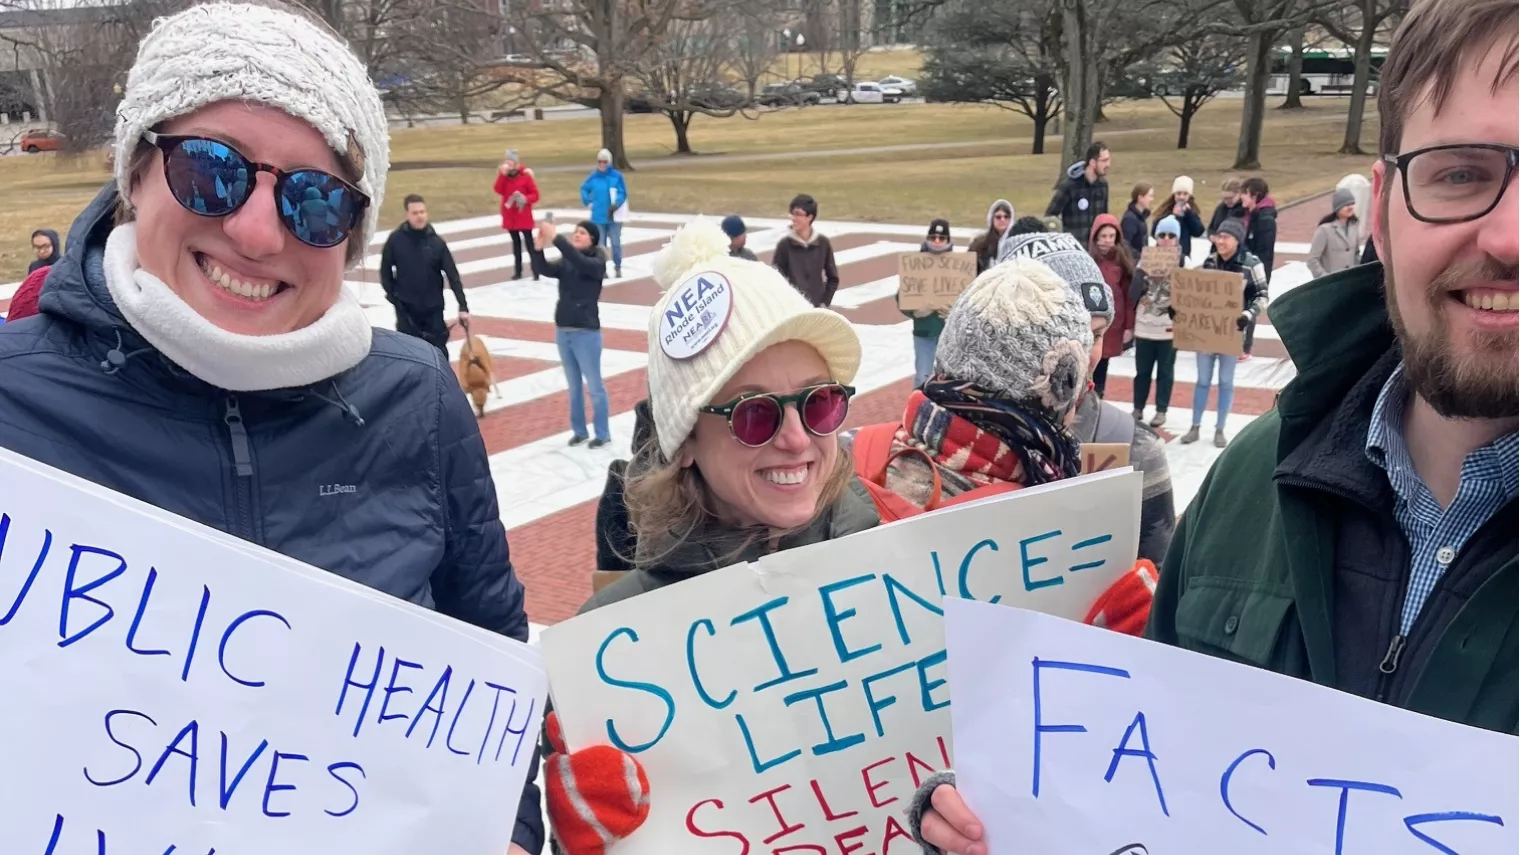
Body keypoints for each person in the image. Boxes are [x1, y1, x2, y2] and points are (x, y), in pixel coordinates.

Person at [915, 10, 1516, 841]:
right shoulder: (1252, 479)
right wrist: (1026, 816)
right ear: (1382, 214)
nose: (1512, 235)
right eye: (1461, 173)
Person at [0, 5, 541, 854]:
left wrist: (507, 825)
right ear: (135, 173)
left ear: (352, 237)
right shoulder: (9, 405)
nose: (256, 231)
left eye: (315, 200)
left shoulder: (418, 399)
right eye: (210, 169)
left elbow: (495, 656)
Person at [540, 218, 880, 854]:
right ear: (686, 442)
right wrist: (583, 843)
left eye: (819, 403)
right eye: (753, 414)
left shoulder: (905, 563)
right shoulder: (609, 646)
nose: (798, 439)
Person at [999, 229, 1175, 567]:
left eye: (1095, 335)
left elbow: (1159, 584)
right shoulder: (958, 436)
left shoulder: (1135, 449)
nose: (1086, 354)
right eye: (1069, 333)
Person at [1182, 218, 1268, 448]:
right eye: (1218, 236)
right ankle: (1195, 425)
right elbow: (1199, 295)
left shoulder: (1252, 264)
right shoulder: (1210, 262)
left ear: (1237, 240)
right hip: (1207, 332)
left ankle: (1220, 428)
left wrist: (1248, 315)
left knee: (1225, 381)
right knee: (1202, 380)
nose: (1220, 241)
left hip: (1232, 332)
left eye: (1225, 237)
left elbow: (1262, 296)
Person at [531, 217, 610, 449]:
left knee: (594, 386)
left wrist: (556, 237)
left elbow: (580, 261)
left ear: (593, 239)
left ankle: (602, 433)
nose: (577, 235)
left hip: (585, 332)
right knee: (573, 386)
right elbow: (543, 269)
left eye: (582, 233)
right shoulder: (568, 260)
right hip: (563, 330)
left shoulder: (596, 262)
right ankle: (579, 430)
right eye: (575, 232)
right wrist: (538, 247)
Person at [380, 194, 469, 355]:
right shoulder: (395, 240)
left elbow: (453, 276)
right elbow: (385, 271)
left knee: (438, 354)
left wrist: (463, 306)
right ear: (407, 214)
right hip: (406, 310)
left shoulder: (437, 242)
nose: (420, 216)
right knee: (410, 356)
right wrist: (394, 297)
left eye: (422, 212)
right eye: (415, 213)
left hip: (433, 309)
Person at [1132, 215, 1182, 428]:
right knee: (1142, 372)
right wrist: (1142, 274)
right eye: (1162, 235)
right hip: (1144, 327)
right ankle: (1138, 408)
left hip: (1169, 329)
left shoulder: (1183, 261)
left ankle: (1161, 410)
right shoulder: (1145, 260)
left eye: (1172, 235)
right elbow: (1132, 294)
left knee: (1165, 372)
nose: (1167, 239)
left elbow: (1190, 296)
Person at [1087, 212, 1136, 398]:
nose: (1107, 241)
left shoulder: (1122, 261)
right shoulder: (1088, 260)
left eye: (1111, 236)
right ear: (1095, 237)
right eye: (1103, 236)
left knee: (1103, 361)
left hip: (1113, 322)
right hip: (1091, 321)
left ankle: (1099, 394)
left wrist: (1129, 326)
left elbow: (1128, 295)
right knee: (1088, 359)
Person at [901, 218, 952, 387]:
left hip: (948, 333)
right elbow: (902, 295)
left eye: (941, 238)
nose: (937, 241)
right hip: (924, 332)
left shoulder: (957, 265)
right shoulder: (915, 264)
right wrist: (915, 312)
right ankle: (919, 409)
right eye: (933, 237)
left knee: (948, 378)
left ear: (948, 240)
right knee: (922, 378)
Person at [772, 193, 840, 307]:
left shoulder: (823, 243)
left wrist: (824, 303)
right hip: (792, 309)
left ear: (810, 217)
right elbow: (776, 279)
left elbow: (833, 278)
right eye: (792, 214)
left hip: (817, 309)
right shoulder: (784, 245)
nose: (794, 218)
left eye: (798, 214)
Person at [1239, 176, 1276, 358]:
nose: (1241, 198)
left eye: (1244, 194)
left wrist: (1255, 271)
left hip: (1256, 270)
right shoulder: (1253, 214)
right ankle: (1240, 345)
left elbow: (1264, 250)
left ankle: (1244, 347)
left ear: (1254, 195)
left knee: (1249, 305)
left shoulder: (1265, 219)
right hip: (1249, 266)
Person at [1045, 140, 1110, 242]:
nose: (1108, 164)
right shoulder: (1069, 186)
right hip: (1074, 246)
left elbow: (1104, 217)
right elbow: (1050, 217)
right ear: (1092, 163)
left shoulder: (1103, 186)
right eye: (1104, 161)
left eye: (1108, 160)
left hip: (1095, 248)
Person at [579, 148, 627, 277]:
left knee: (616, 243)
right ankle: (603, 269)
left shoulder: (616, 176)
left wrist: (616, 204)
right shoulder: (593, 177)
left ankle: (618, 267)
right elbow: (584, 189)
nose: (602, 164)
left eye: (605, 162)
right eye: (600, 161)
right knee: (601, 245)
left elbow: (622, 192)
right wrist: (587, 201)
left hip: (614, 217)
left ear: (609, 162)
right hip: (598, 217)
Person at [494, 148, 540, 280]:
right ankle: (518, 271)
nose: (508, 164)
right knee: (516, 244)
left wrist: (525, 199)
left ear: (515, 163)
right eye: (506, 161)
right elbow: (498, 189)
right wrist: (502, 175)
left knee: (529, 243)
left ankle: (536, 270)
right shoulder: (505, 177)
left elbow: (535, 194)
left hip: (523, 215)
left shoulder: (525, 176)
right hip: (510, 216)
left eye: (510, 161)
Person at [6, 228, 61, 321]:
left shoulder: (62, 265)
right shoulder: (34, 266)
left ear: (54, 245)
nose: (41, 251)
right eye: (37, 247)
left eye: (45, 246)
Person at [1307, 186, 1362, 278]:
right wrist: (1324, 278)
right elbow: (1312, 260)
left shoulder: (1354, 227)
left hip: (1351, 281)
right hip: (1331, 284)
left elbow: (1356, 254)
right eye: (1346, 204)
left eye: (1352, 203)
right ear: (1337, 208)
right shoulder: (1324, 230)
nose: (1350, 207)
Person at [1151, 175, 1207, 263]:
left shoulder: (1191, 211)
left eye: (1185, 194)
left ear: (1189, 196)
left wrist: (1189, 215)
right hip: (1164, 256)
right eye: (1179, 193)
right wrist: (1174, 216)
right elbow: (1154, 232)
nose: (1181, 197)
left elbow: (1198, 232)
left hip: (1183, 257)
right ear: (1174, 194)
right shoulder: (1165, 211)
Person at [966, 198, 1012, 273]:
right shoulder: (979, 243)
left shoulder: (1015, 242)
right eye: (998, 217)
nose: (1002, 220)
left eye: (1006, 217)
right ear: (991, 219)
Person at [1120, 182, 1153, 257]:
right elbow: (1125, 245)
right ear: (1140, 197)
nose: (1152, 199)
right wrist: (1142, 256)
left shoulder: (1141, 217)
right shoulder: (1129, 219)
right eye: (1150, 196)